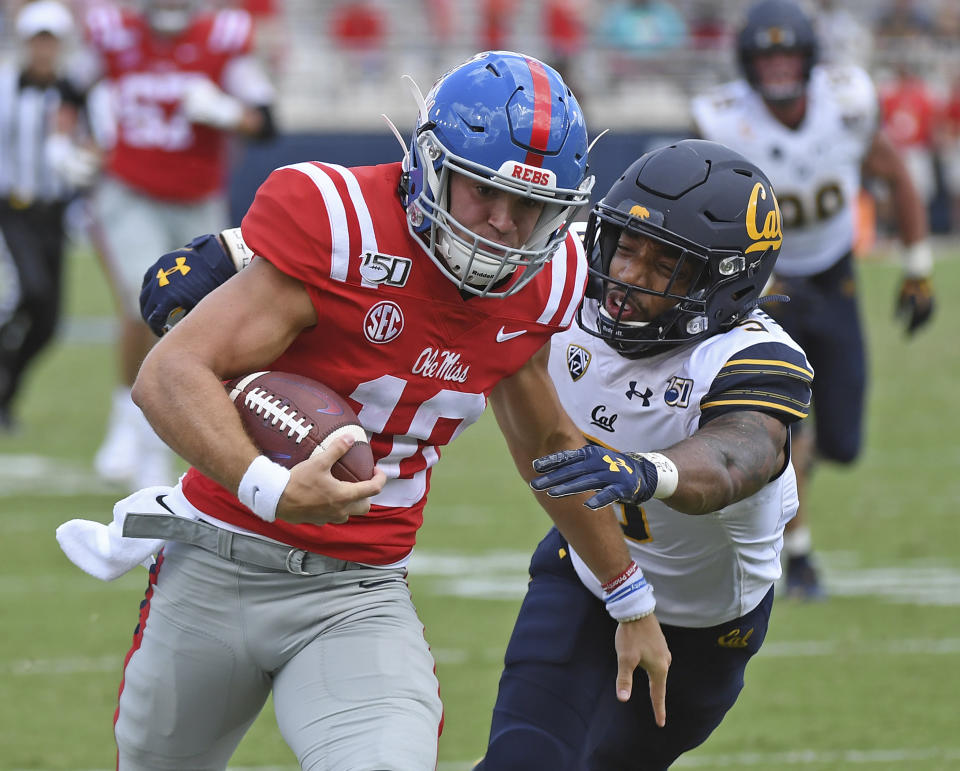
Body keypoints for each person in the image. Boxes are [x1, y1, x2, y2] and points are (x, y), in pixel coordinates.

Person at [107, 51, 674, 769]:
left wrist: (629, 597)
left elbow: (548, 444)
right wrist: (271, 484)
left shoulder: (549, 279)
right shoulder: (340, 223)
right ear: (433, 167)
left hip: (357, 591)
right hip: (217, 560)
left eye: (528, 205)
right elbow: (169, 373)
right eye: (480, 190)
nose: (502, 223)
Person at [471, 139, 812, 770]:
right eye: (626, 246)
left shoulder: (751, 355)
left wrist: (647, 470)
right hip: (589, 572)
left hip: (704, 626)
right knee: (522, 759)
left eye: (666, 266)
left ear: (723, 284)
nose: (628, 275)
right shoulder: (567, 271)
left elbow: (739, 456)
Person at [690, 0, 935, 599]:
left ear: (810, 59)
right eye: (767, 55)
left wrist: (918, 269)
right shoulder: (725, 122)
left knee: (843, 443)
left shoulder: (844, 104)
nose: (778, 69)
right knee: (784, 426)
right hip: (766, 287)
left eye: (789, 54)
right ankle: (795, 553)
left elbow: (896, 175)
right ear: (748, 62)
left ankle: (784, 493)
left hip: (835, 276)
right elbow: (701, 210)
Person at [54, 0, 276, 490]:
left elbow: (265, 120)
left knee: (208, 318)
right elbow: (68, 90)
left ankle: (193, 435)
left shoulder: (223, 38)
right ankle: (126, 422)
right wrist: (61, 143)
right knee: (144, 303)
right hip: (128, 190)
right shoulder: (113, 34)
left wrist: (225, 111)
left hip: (196, 199)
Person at [0, 1, 89, 432]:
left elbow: (97, 145)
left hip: (54, 216)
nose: (43, 50)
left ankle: (6, 391)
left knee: (50, 322)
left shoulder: (74, 92)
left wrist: (81, 162)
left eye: (50, 41)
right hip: (12, 209)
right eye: (38, 40)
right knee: (29, 291)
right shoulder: (4, 87)